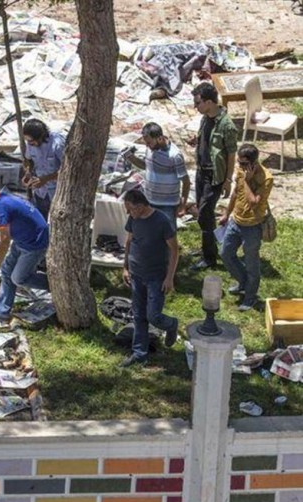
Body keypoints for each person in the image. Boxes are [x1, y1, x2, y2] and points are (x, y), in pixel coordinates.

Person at [0, 181, 49, 323]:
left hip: (34, 244)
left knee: (18, 278)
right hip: (21, 240)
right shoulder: (3, 198)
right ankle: (2, 312)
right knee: (7, 273)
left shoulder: (2, 207)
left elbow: (4, 240)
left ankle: (51, 284)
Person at [120, 189, 179, 367]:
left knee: (153, 315)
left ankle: (171, 324)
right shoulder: (133, 219)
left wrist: (169, 277)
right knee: (138, 315)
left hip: (155, 276)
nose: (128, 213)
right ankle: (139, 353)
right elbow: (129, 242)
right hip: (136, 274)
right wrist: (125, 267)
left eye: (130, 209)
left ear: (140, 206)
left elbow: (175, 250)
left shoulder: (161, 221)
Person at [219, 144, 273, 312]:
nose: (240, 167)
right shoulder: (241, 170)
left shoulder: (266, 179)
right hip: (236, 221)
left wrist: (248, 181)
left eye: (243, 164)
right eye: (239, 163)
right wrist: (227, 214)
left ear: (254, 162)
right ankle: (243, 281)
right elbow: (236, 192)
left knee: (251, 263)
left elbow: (253, 201)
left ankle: (250, 297)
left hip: (253, 226)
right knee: (226, 254)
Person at [191, 82, 238, 270]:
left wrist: (227, 180)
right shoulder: (205, 119)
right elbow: (205, 139)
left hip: (214, 176)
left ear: (210, 102)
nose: (196, 107)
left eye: (198, 103)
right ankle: (207, 245)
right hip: (201, 171)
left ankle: (209, 257)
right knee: (204, 214)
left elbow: (231, 155)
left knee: (204, 212)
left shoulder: (227, 126)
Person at [126, 122, 190, 227]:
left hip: (167, 205)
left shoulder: (175, 155)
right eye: (146, 143)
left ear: (160, 138)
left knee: (167, 237)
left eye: (149, 143)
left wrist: (182, 205)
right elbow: (146, 166)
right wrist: (130, 157)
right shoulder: (150, 149)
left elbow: (186, 181)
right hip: (149, 202)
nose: (147, 146)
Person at [21, 118, 66, 220]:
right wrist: (28, 172)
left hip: (56, 193)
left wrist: (45, 179)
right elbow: (29, 160)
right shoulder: (30, 144)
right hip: (40, 192)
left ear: (41, 136)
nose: (30, 144)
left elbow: (67, 171)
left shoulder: (57, 144)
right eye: (28, 141)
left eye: (32, 142)